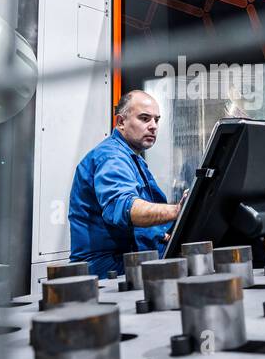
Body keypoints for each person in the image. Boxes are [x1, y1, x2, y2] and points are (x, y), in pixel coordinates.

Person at [68, 90, 182, 277]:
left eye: (157, 120)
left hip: (126, 263)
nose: (153, 126)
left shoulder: (132, 158)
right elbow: (124, 208)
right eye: (145, 118)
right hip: (106, 273)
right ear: (121, 122)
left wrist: (162, 233)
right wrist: (177, 211)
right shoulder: (111, 157)